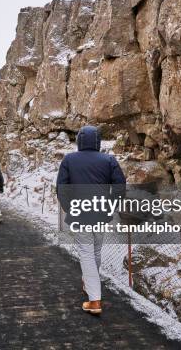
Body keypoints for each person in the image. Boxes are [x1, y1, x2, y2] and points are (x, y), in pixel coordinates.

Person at [56, 125, 126, 315]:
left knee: (86, 253)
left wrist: (70, 207)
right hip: (102, 213)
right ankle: (89, 284)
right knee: (95, 250)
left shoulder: (69, 160)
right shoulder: (108, 159)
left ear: (79, 140)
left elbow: (61, 189)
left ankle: (94, 301)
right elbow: (120, 187)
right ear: (98, 141)